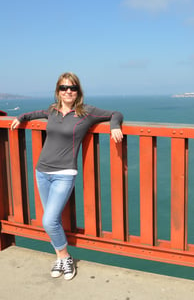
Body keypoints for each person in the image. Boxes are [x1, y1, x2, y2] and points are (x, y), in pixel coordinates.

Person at [10, 72, 123, 280]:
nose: (68, 91)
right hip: (42, 171)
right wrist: (19, 117)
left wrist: (115, 126)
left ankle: (66, 257)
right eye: (64, 88)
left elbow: (115, 113)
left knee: (49, 220)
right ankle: (61, 259)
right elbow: (32, 114)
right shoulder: (52, 110)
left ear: (78, 91)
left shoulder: (87, 112)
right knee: (52, 220)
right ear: (58, 91)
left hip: (64, 174)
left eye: (72, 88)